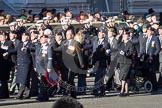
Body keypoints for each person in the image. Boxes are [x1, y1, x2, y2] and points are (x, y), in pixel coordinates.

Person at [4, 32, 33, 99]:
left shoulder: (30, 44)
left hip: (26, 64)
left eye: (24, 36)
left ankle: (19, 94)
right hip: (20, 64)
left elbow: (33, 49)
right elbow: (15, 50)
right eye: (22, 36)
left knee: (24, 80)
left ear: (28, 37)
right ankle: (28, 93)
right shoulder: (20, 44)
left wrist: (27, 49)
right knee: (24, 80)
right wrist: (7, 53)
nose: (22, 37)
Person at [92, 26, 110, 97]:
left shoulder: (106, 43)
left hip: (102, 62)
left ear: (104, 34)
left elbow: (107, 54)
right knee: (99, 77)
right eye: (99, 32)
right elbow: (94, 52)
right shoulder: (95, 41)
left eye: (101, 33)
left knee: (99, 77)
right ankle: (101, 91)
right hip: (96, 62)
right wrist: (93, 62)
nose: (99, 34)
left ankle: (98, 91)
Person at [35, 35, 53, 101]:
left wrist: (49, 67)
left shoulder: (49, 47)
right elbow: (36, 57)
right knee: (42, 82)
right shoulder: (39, 46)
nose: (41, 39)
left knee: (43, 82)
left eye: (43, 38)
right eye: (41, 38)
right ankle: (45, 96)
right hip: (39, 67)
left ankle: (42, 96)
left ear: (47, 39)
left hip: (45, 67)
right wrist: (35, 66)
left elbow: (50, 58)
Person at [118, 32, 134, 97]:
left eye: (125, 36)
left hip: (127, 62)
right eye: (123, 36)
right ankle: (126, 91)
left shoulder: (130, 44)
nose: (124, 37)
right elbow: (118, 45)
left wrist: (124, 53)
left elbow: (130, 52)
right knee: (125, 77)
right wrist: (120, 35)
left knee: (123, 77)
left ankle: (122, 90)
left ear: (128, 37)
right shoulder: (121, 43)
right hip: (122, 61)